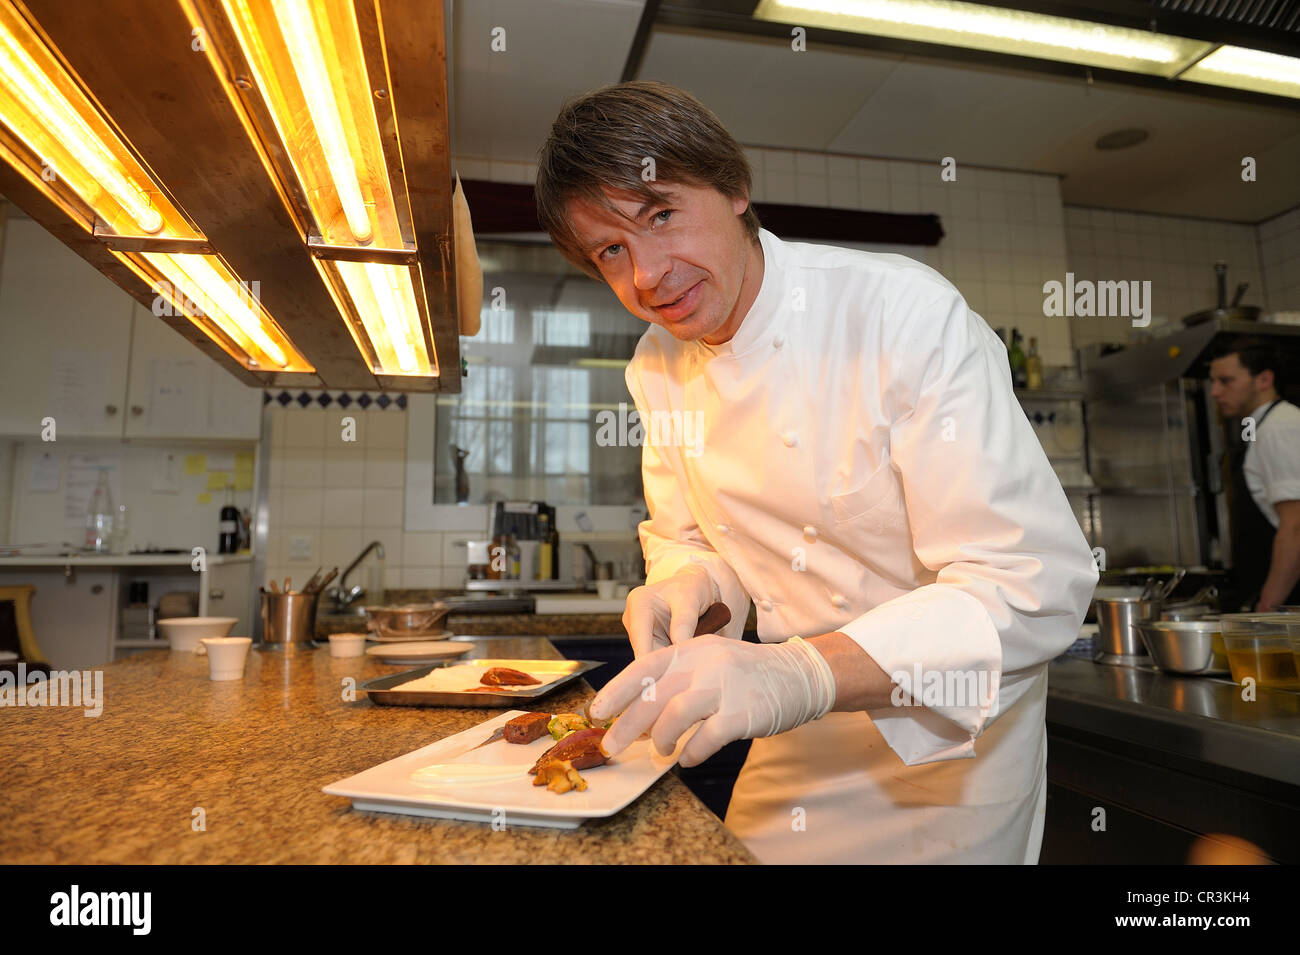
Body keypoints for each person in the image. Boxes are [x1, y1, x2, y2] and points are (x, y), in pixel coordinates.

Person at [533, 80, 1097, 864]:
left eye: (660, 215)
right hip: (791, 727)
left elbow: (1031, 586)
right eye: (612, 251)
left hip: (949, 741)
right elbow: (689, 537)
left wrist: (800, 672)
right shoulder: (655, 364)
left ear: (734, 189)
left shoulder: (902, 315)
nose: (649, 275)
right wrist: (693, 586)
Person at [1208, 338, 1300, 611]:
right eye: (1213, 381)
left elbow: (1295, 528)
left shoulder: (1279, 429)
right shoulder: (1265, 426)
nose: (1215, 391)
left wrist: (1266, 609)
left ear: (1264, 380)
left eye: (1226, 381)